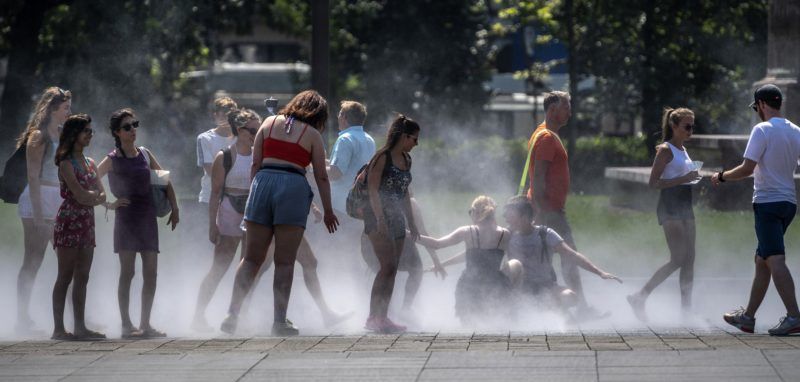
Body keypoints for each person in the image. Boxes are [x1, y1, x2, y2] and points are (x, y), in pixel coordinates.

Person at [221, 90, 338, 336]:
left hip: (262, 184)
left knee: (251, 259)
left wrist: (256, 193)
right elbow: (321, 175)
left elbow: (255, 163)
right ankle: (279, 321)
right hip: (292, 187)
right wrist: (328, 210)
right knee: (284, 261)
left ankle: (232, 313)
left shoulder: (268, 122)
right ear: (318, 115)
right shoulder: (313, 135)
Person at [714, 84, 800, 335]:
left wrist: (721, 177)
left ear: (761, 104)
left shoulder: (761, 129)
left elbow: (747, 168)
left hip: (768, 203)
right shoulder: (796, 131)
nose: (757, 112)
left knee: (774, 259)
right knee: (762, 260)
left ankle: (794, 316)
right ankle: (748, 317)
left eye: (756, 108)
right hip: (788, 203)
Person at [96, 108, 180, 338]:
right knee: (128, 272)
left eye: (135, 125)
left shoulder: (144, 153)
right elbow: (92, 177)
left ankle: (145, 324)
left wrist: (175, 208)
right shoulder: (113, 159)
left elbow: (164, 180)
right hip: (126, 217)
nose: (133, 130)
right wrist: (108, 203)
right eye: (127, 127)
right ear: (117, 132)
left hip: (147, 216)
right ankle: (126, 324)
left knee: (151, 272)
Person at [526, 91, 599, 316]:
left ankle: (546, 308)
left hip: (547, 209)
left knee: (545, 261)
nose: (570, 111)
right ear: (552, 110)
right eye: (566, 107)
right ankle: (581, 310)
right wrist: (542, 212)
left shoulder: (543, 132)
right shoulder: (547, 137)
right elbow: (538, 179)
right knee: (570, 257)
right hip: (549, 211)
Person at [627, 108, 699, 322]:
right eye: (687, 126)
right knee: (678, 258)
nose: (690, 130)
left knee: (690, 260)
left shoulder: (683, 149)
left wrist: (692, 178)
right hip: (670, 206)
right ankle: (640, 296)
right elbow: (653, 183)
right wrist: (684, 178)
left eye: (692, 126)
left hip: (685, 205)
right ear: (674, 126)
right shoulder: (665, 150)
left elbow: (682, 176)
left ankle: (686, 310)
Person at [193, 108, 260, 332]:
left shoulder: (259, 154)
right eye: (252, 130)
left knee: (248, 267)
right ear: (240, 130)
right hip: (230, 208)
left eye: (258, 129)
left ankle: (238, 315)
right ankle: (198, 315)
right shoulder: (225, 156)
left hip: (251, 209)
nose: (255, 133)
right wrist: (213, 225)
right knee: (219, 268)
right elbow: (215, 193)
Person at [503, 196, 621, 314]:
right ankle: (517, 311)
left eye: (510, 216)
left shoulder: (545, 233)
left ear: (524, 217)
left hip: (545, 286)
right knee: (513, 266)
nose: (506, 219)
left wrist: (600, 273)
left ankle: (550, 314)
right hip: (520, 287)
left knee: (570, 297)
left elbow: (572, 255)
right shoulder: (506, 235)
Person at [15, 87, 71, 334]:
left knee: (68, 259)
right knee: (33, 260)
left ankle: (75, 316)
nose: (69, 112)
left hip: (58, 197)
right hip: (38, 199)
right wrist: (38, 214)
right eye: (65, 108)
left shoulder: (64, 134)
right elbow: (33, 175)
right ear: (53, 110)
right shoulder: (38, 136)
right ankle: (22, 317)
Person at [416, 196, 515, 326]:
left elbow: (436, 244)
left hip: (470, 287)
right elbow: (480, 255)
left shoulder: (467, 231)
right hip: (496, 285)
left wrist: (408, 234)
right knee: (495, 324)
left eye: (470, 212)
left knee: (470, 328)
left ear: (476, 212)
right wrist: (442, 264)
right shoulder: (505, 234)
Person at [362, 115, 420, 333]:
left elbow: (405, 194)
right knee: (386, 266)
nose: (416, 144)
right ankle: (372, 317)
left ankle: (383, 317)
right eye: (414, 139)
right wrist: (379, 219)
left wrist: (412, 222)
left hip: (397, 218)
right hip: (377, 218)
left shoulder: (406, 160)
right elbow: (373, 190)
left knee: (393, 268)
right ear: (404, 136)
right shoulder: (382, 158)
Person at [51, 114, 106, 340]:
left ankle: (81, 326)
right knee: (65, 274)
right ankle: (58, 329)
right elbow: (80, 194)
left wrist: (93, 196)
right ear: (74, 135)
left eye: (91, 131)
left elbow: (102, 194)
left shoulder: (91, 162)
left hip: (86, 221)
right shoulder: (65, 163)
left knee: (83, 275)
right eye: (87, 131)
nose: (90, 135)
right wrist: (92, 196)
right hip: (69, 220)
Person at [362, 195, 446, 322]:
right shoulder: (378, 197)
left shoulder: (410, 203)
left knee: (416, 268)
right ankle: (381, 313)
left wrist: (436, 261)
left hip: (401, 243)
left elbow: (421, 232)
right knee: (387, 273)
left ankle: (404, 309)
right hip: (378, 244)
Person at [196, 97, 238, 205]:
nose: (227, 118)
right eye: (223, 114)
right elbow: (210, 170)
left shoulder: (240, 138)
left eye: (230, 115)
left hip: (237, 198)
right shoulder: (205, 138)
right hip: (209, 197)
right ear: (215, 115)